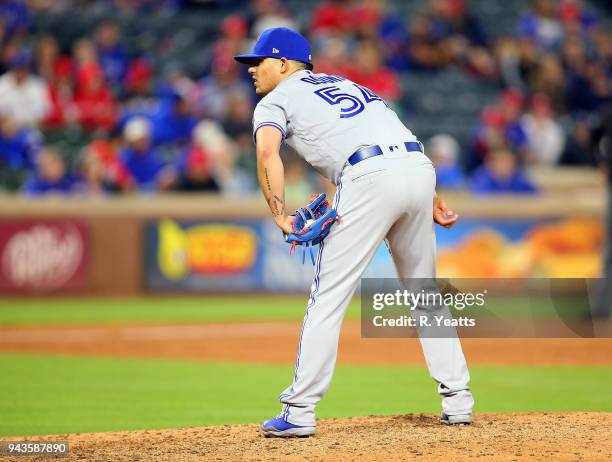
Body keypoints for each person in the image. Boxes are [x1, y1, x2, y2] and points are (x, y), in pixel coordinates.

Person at [234, 27, 474, 437]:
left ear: (284, 63)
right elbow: (402, 139)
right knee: (424, 291)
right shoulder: (350, 85)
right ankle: (459, 401)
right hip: (417, 168)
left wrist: (279, 212)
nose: (252, 69)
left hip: (369, 175)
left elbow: (267, 151)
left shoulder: (277, 99)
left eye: (259, 61)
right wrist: (432, 197)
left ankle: (299, 411)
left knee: (328, 295)